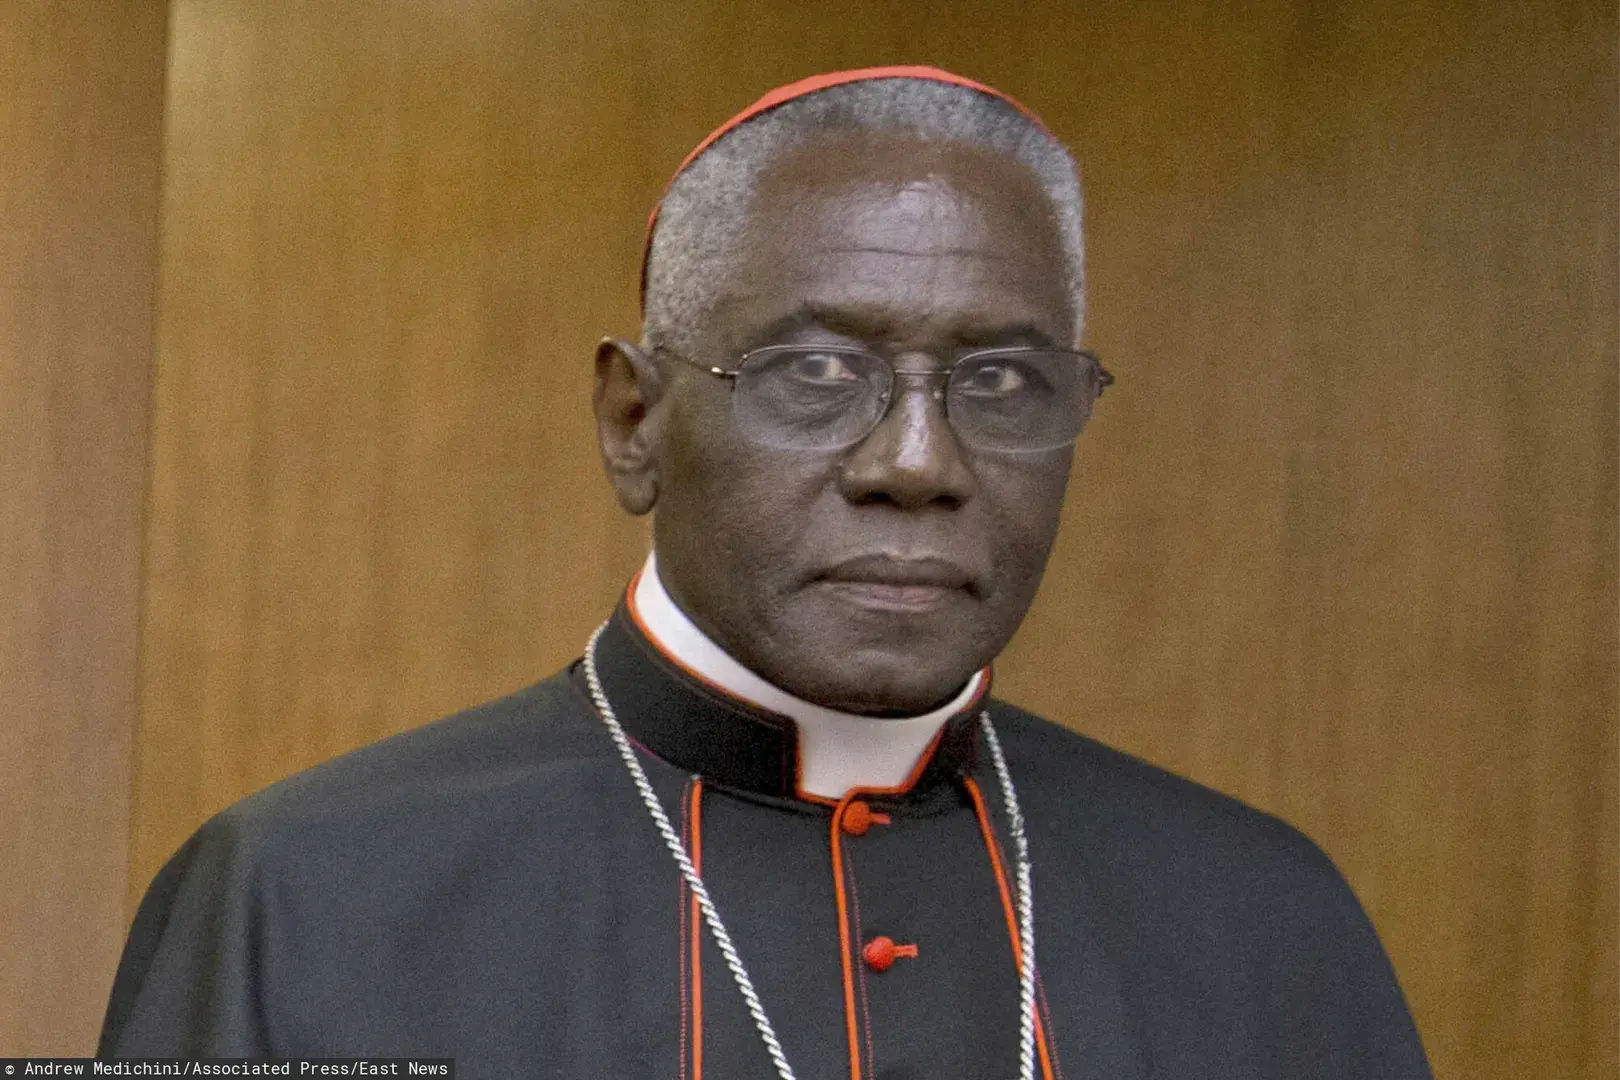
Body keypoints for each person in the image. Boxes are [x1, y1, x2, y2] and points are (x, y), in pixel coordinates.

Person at [100, 67, 1432, 1079]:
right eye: (817, 372)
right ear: (635, 424)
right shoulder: (308, 896)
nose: (917, 463)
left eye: (1000, 383)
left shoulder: (1263, 919)